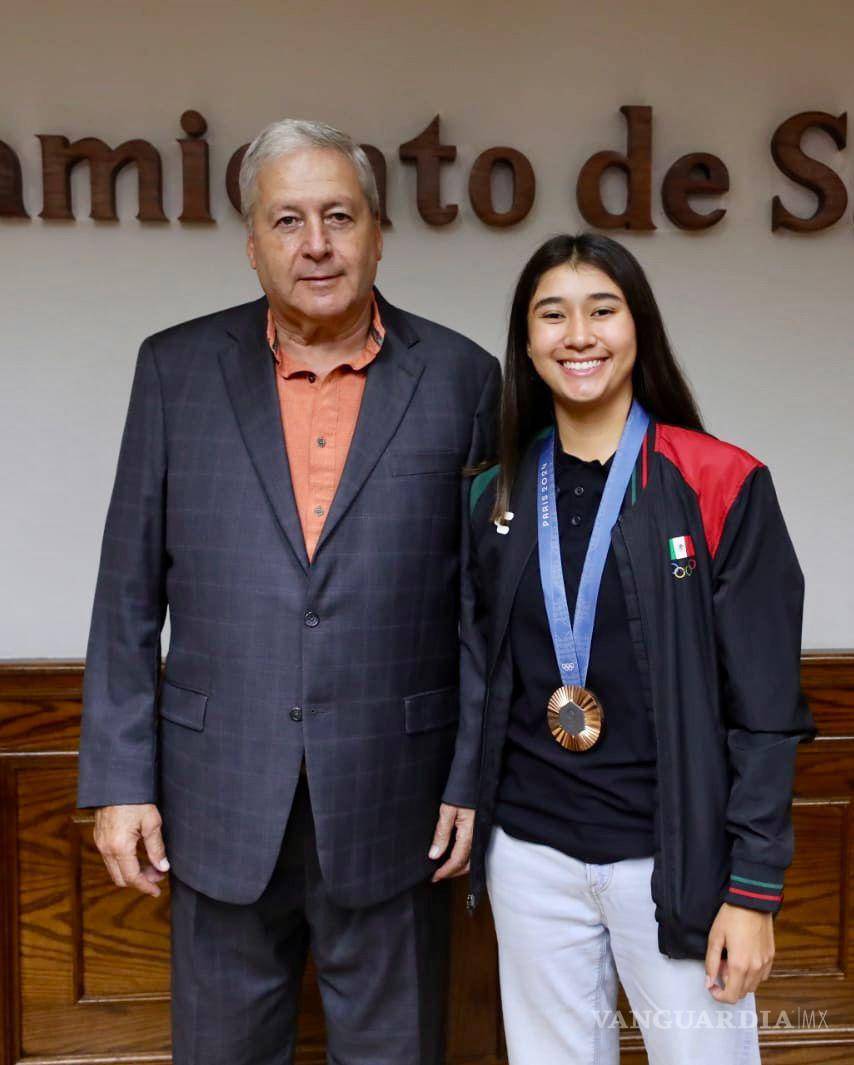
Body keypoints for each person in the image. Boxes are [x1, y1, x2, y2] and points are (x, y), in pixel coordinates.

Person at [76, 118, 500, 1065]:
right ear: (253, 242)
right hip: (214, 795)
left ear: (379, 233)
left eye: (339, 216)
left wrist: (473, 775)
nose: (317, 244)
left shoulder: (463, 378)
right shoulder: (175, 370)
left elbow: (482, 608)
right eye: (289, 220)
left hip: (400, 797)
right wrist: (118, 780)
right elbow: (128, 589)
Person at [461, 233, 816, 1064]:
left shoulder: (720, 482)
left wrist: (753, 890)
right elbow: (478, 671)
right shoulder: (495, 494)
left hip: (677, 857)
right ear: (526, 342)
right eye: (552, 314)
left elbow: (766, 711)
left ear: (638, 328)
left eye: (602, 309)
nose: (577, 334)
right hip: (531, 856)